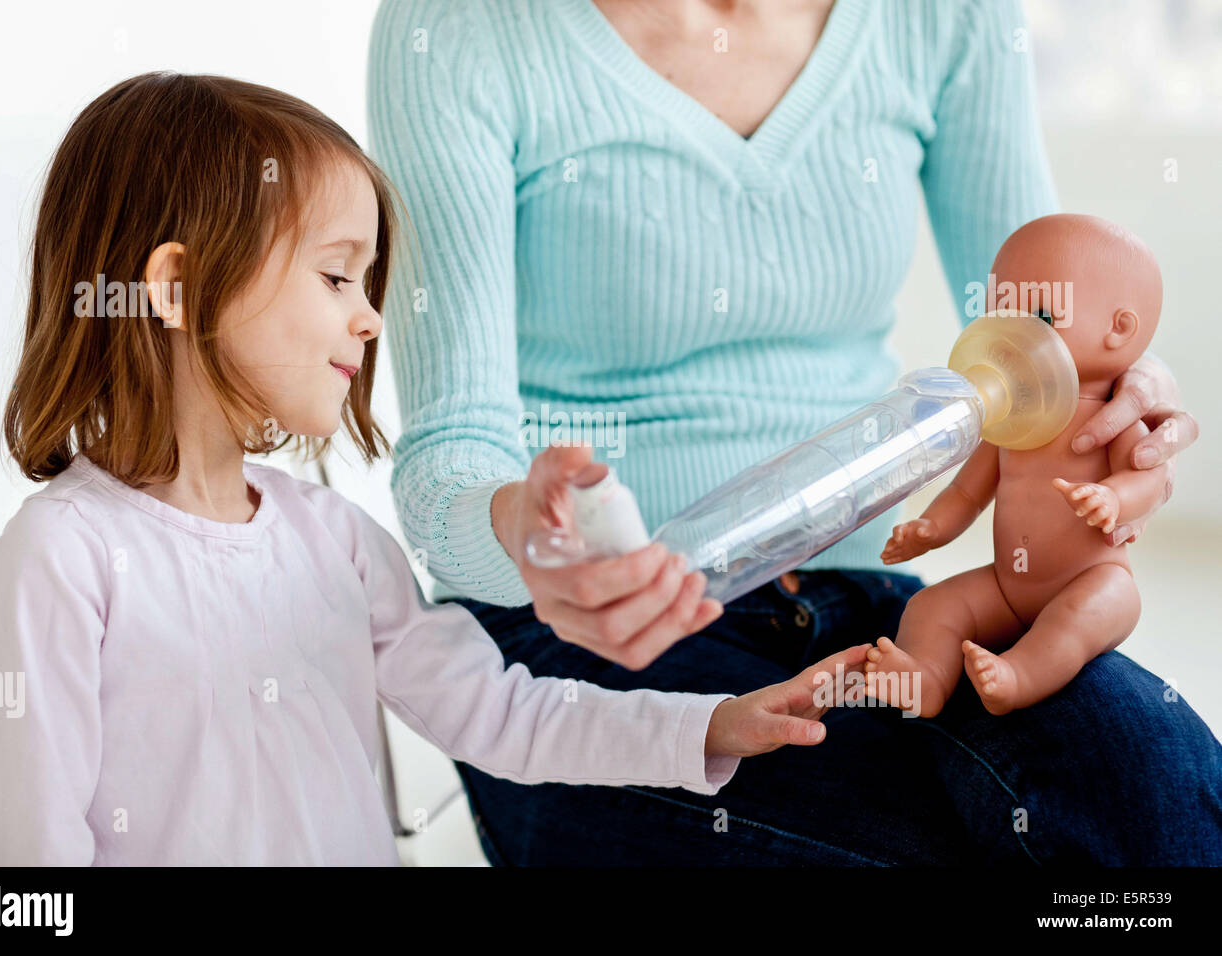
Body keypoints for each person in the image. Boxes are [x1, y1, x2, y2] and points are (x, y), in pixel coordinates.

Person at [368, 0, 1218, 864]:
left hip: (862, 602)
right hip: (585, 642)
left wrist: (1121, 388)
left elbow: (1043, 325)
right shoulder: (467, 30)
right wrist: (532, 542)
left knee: (1153, 777)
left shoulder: (942, 17)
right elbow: (446, 466)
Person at [0, 71, 863, 866]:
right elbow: (36, 854)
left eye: (370, 283)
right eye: (335, 277)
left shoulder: (337, 544)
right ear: (174, 285)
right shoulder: (57, 559)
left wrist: (706, 724)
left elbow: (506, 715)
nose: (370, 320)